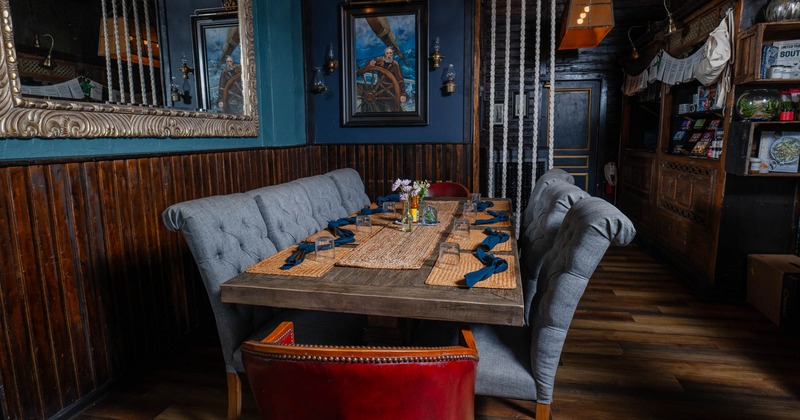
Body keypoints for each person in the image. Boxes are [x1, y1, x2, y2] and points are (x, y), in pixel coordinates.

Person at [367, 46, 408, 112]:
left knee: (397, 110)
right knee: (379, 110)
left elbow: (400, 80)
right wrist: (370, 63)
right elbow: (368, 65)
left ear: (393, 54)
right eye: (387, 53)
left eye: (391, 53)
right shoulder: (379, 61)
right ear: (384, 54)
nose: (389, 55)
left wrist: (403, 94)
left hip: (391, 91)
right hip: (379, 91)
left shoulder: (395, 64)